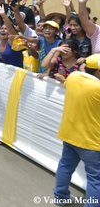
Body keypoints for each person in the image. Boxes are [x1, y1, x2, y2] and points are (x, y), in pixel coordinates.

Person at [54, 54, 100, 206]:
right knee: (95, 178)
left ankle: (60, 197)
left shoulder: (73, 77)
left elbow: (71, 78)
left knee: (65, 167)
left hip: (69, 135)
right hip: (92, 141)